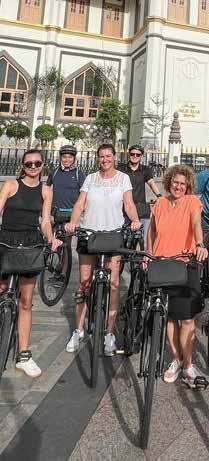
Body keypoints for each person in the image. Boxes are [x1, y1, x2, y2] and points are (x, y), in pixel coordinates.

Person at [65, 143, 141, 355]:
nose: (105, 159)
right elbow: (80, 204)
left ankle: (109, 333)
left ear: (114, 157)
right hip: (89, 234)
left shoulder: (123, 178)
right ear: (98, 158)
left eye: (108, 156)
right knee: (84, 283)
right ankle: (78, 329)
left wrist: (135, 220)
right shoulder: (90, 179)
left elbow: (128, 204)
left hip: (113, 235)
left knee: (114, 283)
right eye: (102, 156)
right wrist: (73, 222)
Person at [0, 149, 61, 377]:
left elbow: (45, 221)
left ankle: (23, 355)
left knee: (26, 301)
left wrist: (51, 238)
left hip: (30, 244)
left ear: (43, 165)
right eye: (29, 164)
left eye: (37, 163)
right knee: (1, 288)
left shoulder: (46, 191)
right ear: (23, 166)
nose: (33, 167)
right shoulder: (10, 185)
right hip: (5, 241)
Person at [147, 164, 208, 388]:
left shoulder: (192, 201)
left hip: (185, 263)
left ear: (188, 185)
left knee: (188, 318)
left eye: (183, 184)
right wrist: (148, 254)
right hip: (163, 264)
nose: (179, 187)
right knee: (171, 317)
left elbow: (196, 223)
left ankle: (188, 364)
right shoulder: (160, 203)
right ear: (169, 182)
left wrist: (200, 244)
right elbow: (151, 231)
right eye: (175, 182)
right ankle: (175, 358)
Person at [118, 144, 161, 238]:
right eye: (132, 154)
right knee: (123, 237)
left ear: (141, 156)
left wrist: (159, 196)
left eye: (138, 154)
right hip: (124, 208)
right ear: (129, 154)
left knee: (139, 237)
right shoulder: (121, 169)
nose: (135, 156)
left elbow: (151, 183)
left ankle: (137, 248)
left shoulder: (145, 169)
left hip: (140, 208)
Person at [46, 145, 86, 215]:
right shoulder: (54, 172)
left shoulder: (79, 174)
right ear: (60, 158)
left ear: (74, 158)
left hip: (73, 213)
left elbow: (85, 195)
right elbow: (46, 189)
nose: (67, 160)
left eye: (70, 157)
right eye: (64, 157)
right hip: (55, 212)